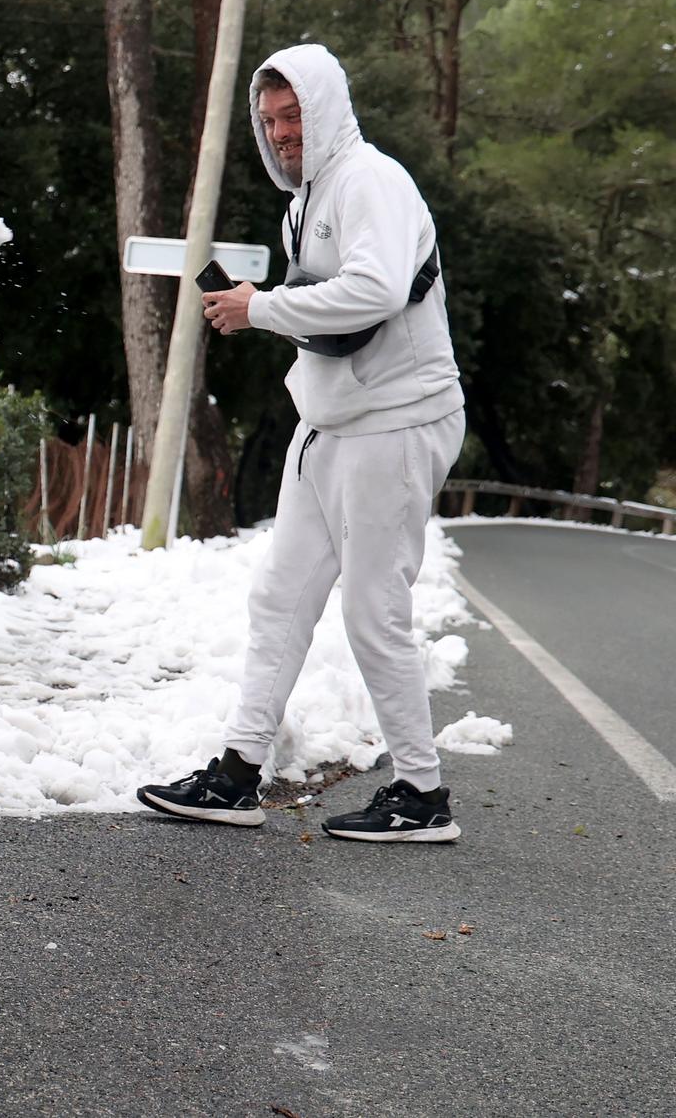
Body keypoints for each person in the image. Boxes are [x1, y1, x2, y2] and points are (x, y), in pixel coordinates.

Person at [137, 43, 467, 842]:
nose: (283, 133)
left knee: (371, 609)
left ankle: (421, 794)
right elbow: (331, 313)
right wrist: (267, 307)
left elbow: (379, 288)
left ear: (326, 110)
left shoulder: (371, 181)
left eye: (295, 116)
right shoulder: (307, 197)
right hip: (330, 425)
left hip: (397, 420)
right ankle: (238, 773)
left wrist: (266, 307)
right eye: (271, 120)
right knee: (279, 599)